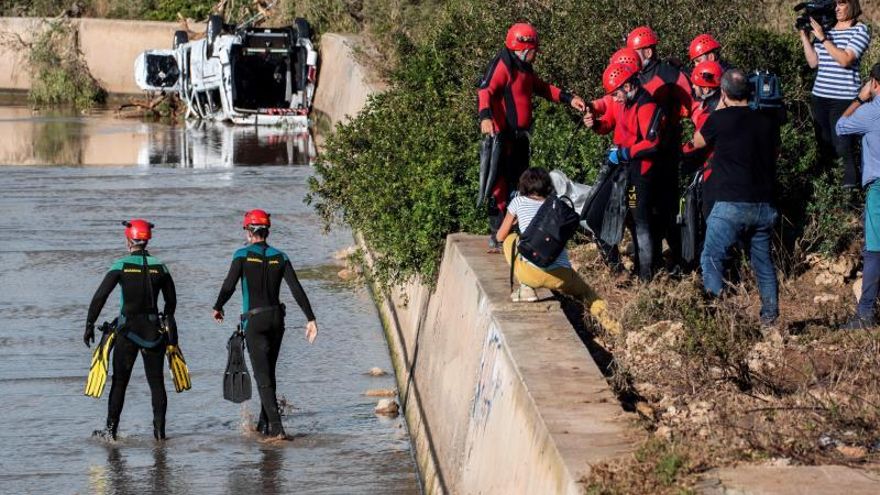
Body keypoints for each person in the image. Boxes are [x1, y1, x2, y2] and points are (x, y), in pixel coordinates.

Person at [478, 22, 587, 250]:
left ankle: (516, 230)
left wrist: (568, 99)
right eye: (533, 49)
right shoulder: (504, 64)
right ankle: (496, 234)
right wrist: (485, 117)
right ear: (522, 48)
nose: (536, 53)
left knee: (521, 183)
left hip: (519, 137)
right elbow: (485, 90)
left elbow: (542, 88)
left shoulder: (524, 68)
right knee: (499, 184)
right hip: (502, 137)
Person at [212, 209, 318, 438]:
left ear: (250, 232)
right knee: (268, 373)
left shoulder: (241, 255)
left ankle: (278, 430)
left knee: (262, 378)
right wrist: (310, 318)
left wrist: (218, 306)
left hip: (255, 321)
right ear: (267, 230)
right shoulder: (280, 256)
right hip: (277, 319)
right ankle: (263, 425)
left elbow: (229, 285)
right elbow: (296, 288)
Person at [691, 69, 781, 326]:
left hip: (730, 203)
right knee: (763, 263)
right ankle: (770, 321)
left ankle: (720, 320)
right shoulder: (766, 121)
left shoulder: (719, 119)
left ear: (723, 93)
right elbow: (776, 153)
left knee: (711, 258)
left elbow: (697, 142)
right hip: (764, 205)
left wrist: (718, 108)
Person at [85, 219, 177, 440]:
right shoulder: (160, 267)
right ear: (147, 241)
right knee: (156, 383)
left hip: (127, 331)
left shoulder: (121, 266)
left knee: (120, 382)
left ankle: (110, 432)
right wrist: (166, 319)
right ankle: (159, 434)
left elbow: (100, 296)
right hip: (154, 332)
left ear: (129, 241)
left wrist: (89, 324)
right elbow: (172, 302)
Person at [497, 168, 618, 331]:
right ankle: (616, 328)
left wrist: (514, 224)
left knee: (510, 240)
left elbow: (500, 236)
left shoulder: (518, 202)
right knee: (587, 294)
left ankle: (526, 287)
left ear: (523, 186)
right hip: (562, 274)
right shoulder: (556, 205)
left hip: (530, 273)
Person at [584, 63, 665, 281]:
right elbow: (610, 123)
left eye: (616, 94)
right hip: (628, 171)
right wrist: (596, 125)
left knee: (640, 221)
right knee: (627, 218)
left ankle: (646, 276)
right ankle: (633, 270)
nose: (615, 99)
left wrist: (624, 154)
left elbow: (652, 142)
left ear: (628, 86)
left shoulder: (645, 104)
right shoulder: (628, 102)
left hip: (640, 175)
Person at [627, 26, 694, 270]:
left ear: (646, 50)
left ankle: (676, 261)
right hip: (641, 154)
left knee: (665, 210)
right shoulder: (636, 75)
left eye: (635, 51)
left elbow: (692, 102)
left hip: (664, 154)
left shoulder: (668, 73)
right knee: (641, 209)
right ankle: (649, 258)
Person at [799, 0, 870, 188]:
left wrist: (823, 38)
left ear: (852, 5)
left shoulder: (860, 30)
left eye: (841, 4)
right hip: (820, 96)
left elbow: (846, 59)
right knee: (824, 147)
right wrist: (805, 36)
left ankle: (848, 199)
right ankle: (828, 194)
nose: (836, 8)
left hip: (844, 99)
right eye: (835, 5)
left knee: (842, 147)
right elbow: (814, 62)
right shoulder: (828, 29)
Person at [836, 64, 880, 329]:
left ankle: (865, 314)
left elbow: (841, 126)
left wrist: (858, 99)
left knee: (875, 251)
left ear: (874, 83)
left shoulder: (870, 112)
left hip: (879, 187)